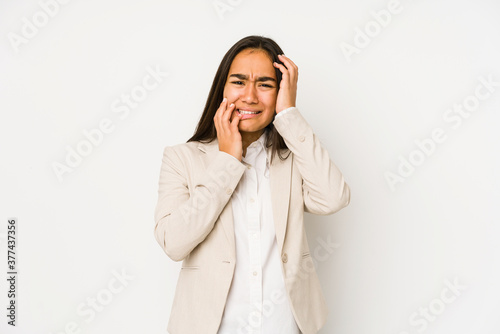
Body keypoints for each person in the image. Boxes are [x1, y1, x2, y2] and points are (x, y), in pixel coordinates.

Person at [153, 35, 351, 334]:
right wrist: (227, 161)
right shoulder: (182, 158)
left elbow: (333, 198)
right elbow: (174, 242)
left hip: (285, 325)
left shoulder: (295, 158)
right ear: (222, 88)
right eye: (239, 81)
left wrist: (289, 115)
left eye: (265, 84)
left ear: (281, 91)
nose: (250, 96)